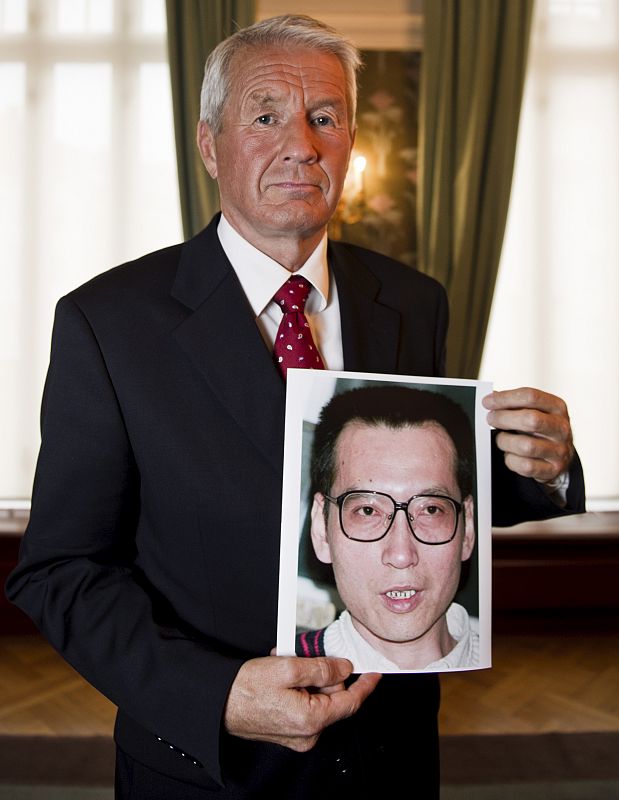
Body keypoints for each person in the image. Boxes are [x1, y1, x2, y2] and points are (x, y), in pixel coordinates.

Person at [6, 14, 584, 800]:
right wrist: (214, 696)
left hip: (390, 755)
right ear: (209, 143)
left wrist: (537, 464)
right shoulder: (108, 323)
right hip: (209, 769)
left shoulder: (412, 302)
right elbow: (62, 571)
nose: (301, 144)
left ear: (350, 141)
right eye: (266, 114)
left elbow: (415, 482)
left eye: (324, 118)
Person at [297, 384, 480, 673]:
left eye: (430, 510)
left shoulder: (514, 658)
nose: (401, 555)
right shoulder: (287, 667)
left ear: (467, 527)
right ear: (322, 529)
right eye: (368, 511)